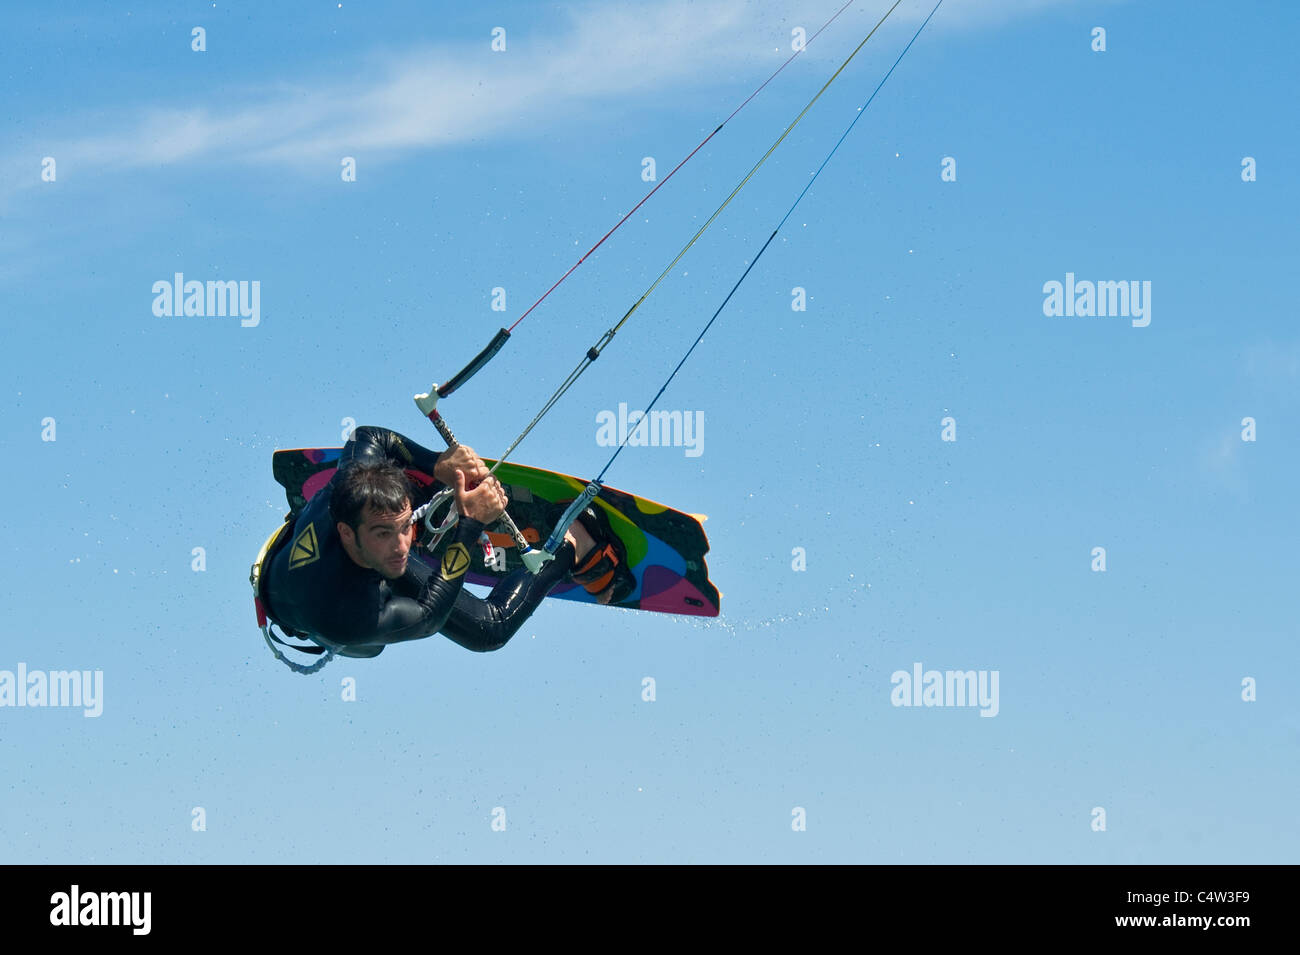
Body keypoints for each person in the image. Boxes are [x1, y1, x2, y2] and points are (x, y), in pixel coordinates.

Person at [259, 425, 631, 659]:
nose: (400, 545)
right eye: (383, 533)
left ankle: (421, 498)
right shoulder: (351, 614)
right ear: (346, 532)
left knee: (394, 550)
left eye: (405, 527)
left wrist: (437, 462)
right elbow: (429, 617)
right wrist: (469, 525)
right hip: (321, 615)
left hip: (297, 564)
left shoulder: (349, 484)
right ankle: (572, 543)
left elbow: (368, 437)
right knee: (490, 630)